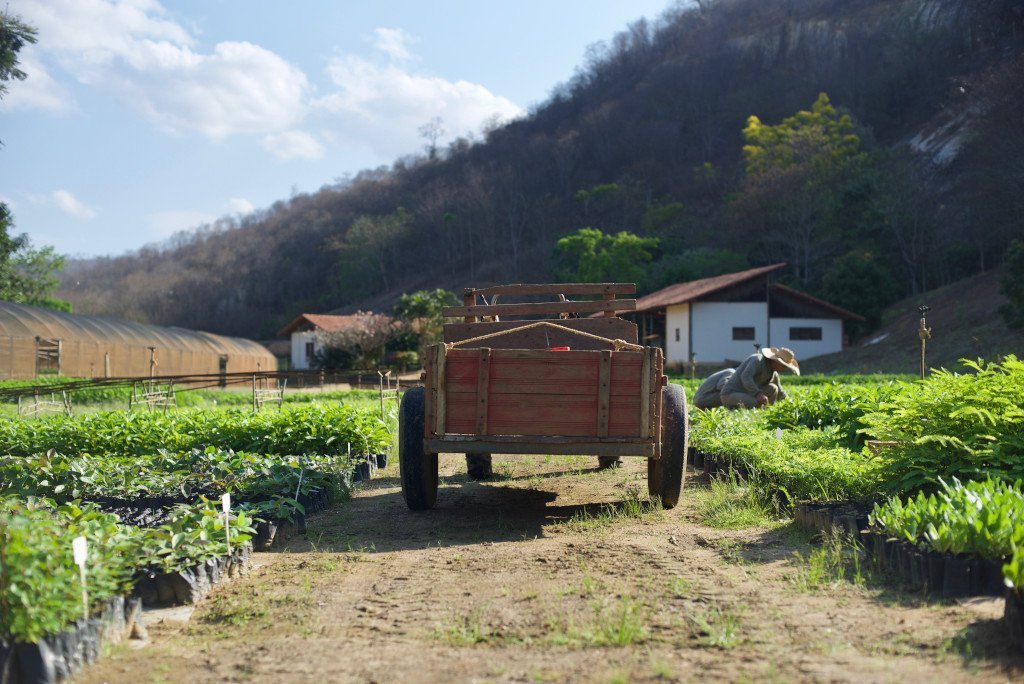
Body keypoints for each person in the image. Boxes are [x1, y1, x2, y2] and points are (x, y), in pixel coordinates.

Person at [719, 347, 800, 409]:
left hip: (747, 393)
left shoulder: (774, 373)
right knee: (754, 402)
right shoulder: (757, 360)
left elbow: (780, 391)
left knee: (774, 388)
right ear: (776, 362)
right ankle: (746, 412)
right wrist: (758, 394)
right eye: (783, 366)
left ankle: (766, 412)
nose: (784, 369)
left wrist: (791, 404)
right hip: (731, 394)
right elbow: (745, 376)